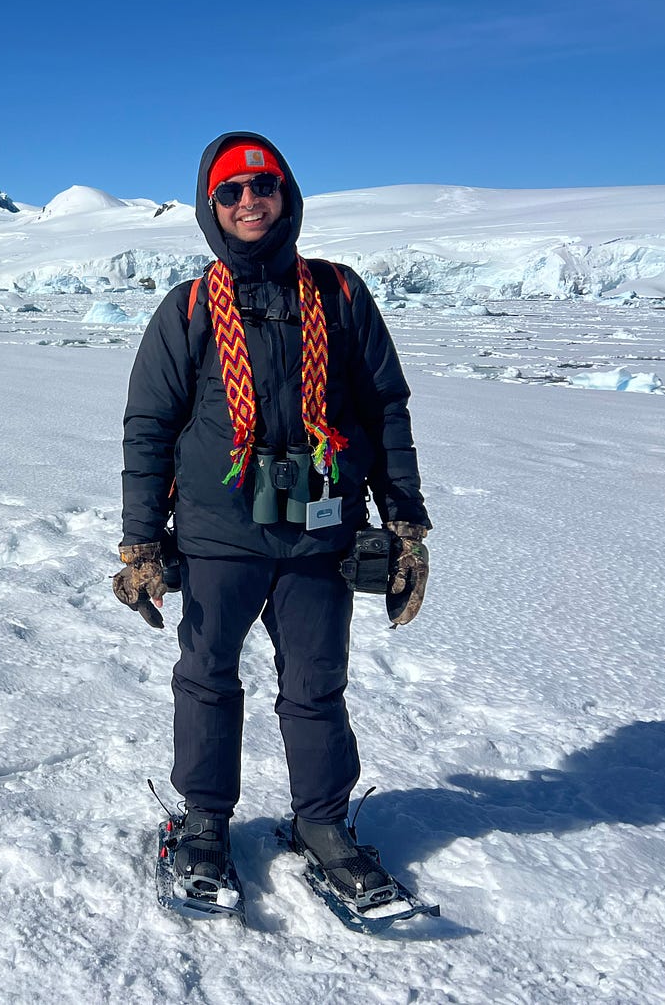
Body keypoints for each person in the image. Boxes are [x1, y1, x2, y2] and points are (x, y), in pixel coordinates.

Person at [112, 131, 431, 908]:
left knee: (317, 684)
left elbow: (384, 410)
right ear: (210, 206)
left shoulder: (340, 294)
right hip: (218, 533)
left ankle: (321, 824)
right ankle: (203, 822)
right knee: (208, 677)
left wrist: (405, 524)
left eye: (264, 186)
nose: (249, 201)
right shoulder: (189, 308)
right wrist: (142, 539)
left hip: (319, 531)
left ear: (287, 196)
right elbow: (149, 427)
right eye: (230, 191)